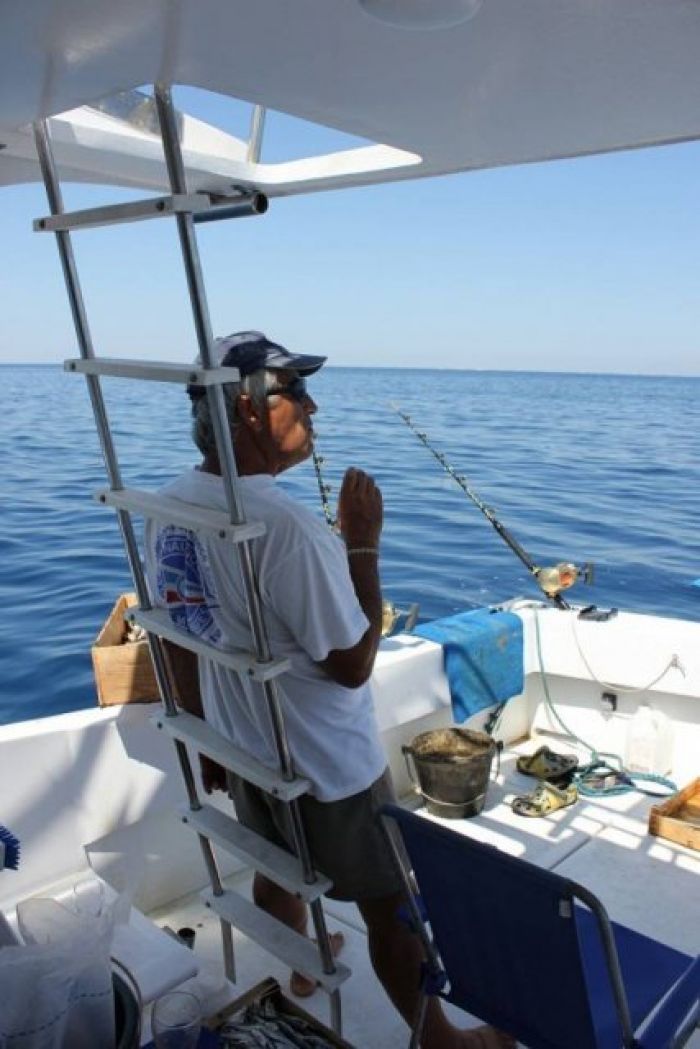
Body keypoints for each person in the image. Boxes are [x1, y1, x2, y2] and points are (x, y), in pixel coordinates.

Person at [145, 331, 513, 1049]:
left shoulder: (171, 504)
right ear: (249, 411)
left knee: (279, 869)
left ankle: (302, 971)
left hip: (249, 747)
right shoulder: (289, 529)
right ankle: (440, 1040)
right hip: (331, 769)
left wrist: (206, 736)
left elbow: (173, 630)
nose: (312, 405)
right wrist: (362, 543)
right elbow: (352, 662)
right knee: (392, 911)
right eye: (296, 390)